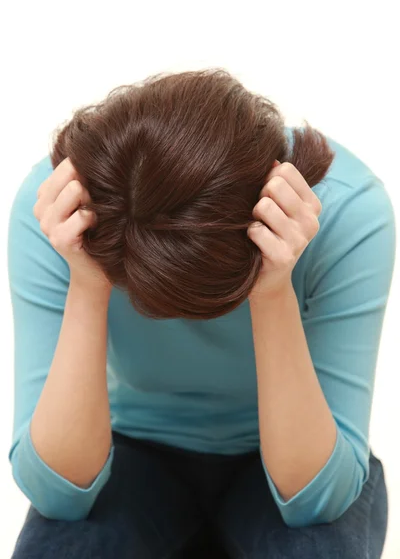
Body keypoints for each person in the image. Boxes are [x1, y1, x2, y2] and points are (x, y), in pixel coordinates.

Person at [8, 69, 395, 558]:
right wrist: (87, 281)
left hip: (294, 451)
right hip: (133, 450)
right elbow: (58, 495)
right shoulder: (60, 213)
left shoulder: (346, 210)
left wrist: (271, 289)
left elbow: (316, 501)